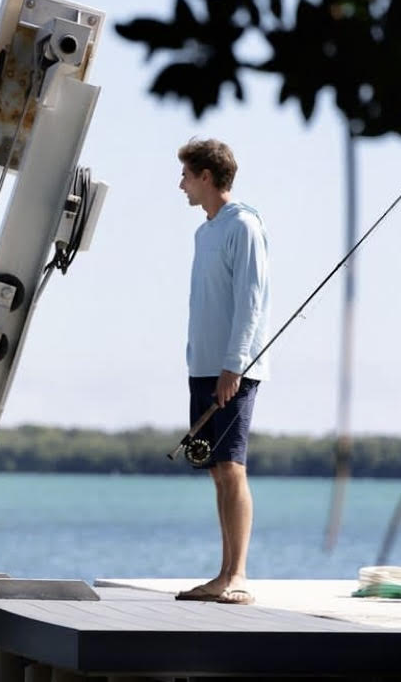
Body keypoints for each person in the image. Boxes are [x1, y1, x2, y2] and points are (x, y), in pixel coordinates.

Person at [174, 138, 270, 606]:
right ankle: (222, 575)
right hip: (204, 367)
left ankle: (239, 576)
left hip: (235, 368)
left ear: (207, 177)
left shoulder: (243, 225)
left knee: (232, 467)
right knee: (216, 469)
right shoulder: (204, 231)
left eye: (187, 177)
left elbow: (251, 302)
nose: (182, 186)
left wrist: (235, 364)